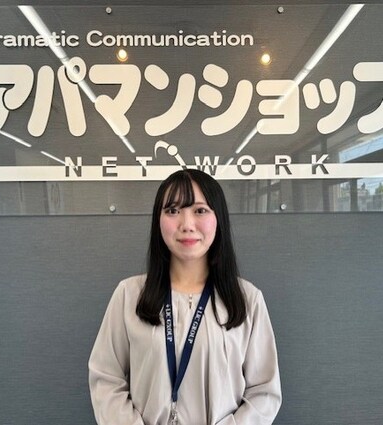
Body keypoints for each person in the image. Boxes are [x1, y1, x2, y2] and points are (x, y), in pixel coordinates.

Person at [88, 169, 282, 425]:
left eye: (200, 210)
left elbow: (264, 392)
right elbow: (106, 379)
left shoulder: (247, 299)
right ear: (158, 220)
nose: (187, 224)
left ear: (218, 219)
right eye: (172, 210)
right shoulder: (129, 294)